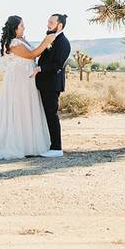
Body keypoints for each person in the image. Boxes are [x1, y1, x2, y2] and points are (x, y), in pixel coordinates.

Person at [0, 15, 58, 159]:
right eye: (21, 26)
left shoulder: (22, 40)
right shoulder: (13, 43)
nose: (24, 27)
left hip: (27, 80)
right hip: (18, 81)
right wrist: (46, 41)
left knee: (28, 108)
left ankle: (29, 143)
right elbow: (31, 54)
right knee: (19, 108)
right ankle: (17, 144)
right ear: (14, 28)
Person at [33, 13, 71, 157]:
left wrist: (40, 68)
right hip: (45, 83)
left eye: (51, 22)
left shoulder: (62, 42)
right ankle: (50, 145)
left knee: (52, 115)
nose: (48, 24)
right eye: (48, 21)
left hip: (52, 85)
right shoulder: (54, 38)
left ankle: (56, 148)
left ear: (59, 25)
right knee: (48, 115)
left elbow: (57, 65)